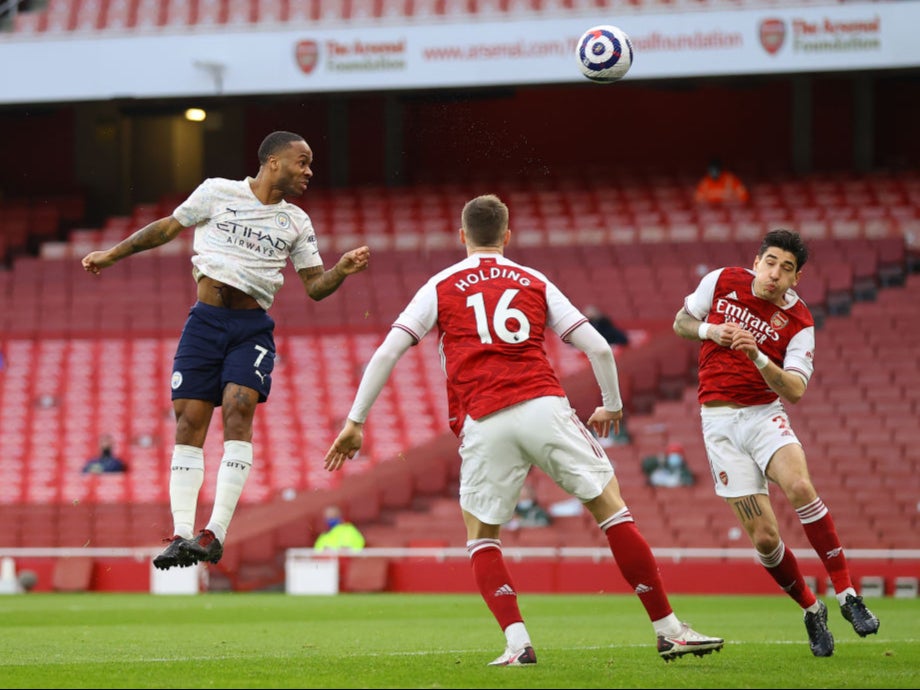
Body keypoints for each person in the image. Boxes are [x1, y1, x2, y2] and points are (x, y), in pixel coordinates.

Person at [324, 194, 724, 665]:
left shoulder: (440, 285)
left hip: (484, 418)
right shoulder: (533, 280)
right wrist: (611, 404)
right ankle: (668, 629)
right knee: (611, 509)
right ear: (507, 236)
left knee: (482, 535)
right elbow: (595, 346)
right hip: (542, 406)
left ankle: (518, 644)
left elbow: (389, 351)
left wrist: (355, 422)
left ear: (462, 236)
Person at [81, 130, 371, 571]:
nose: (309, 171)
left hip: (250, 329)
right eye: (302, 161)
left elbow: (314, 287)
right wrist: (112, 254)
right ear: (273, 161)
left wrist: (342, 270)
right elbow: (167, 229)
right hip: (204, 322)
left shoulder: (296, 222)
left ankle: (213, 533)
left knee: (238, 411)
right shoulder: (217, 192)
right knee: (189, 421)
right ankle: (181, 535)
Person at [672, 228, 879, 658]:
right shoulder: (722, 281)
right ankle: (811, 607)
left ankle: (847, 596)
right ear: (757, 260)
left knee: (800, 487)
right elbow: (681, 322)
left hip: (764, 415)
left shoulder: (800, 321)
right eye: (770, 262)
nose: (774, 274)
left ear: (796, 278)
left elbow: (797, 391)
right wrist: (712, 332)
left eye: (786, 269)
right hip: (719, 424)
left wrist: (758, 356)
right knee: (765, 538)